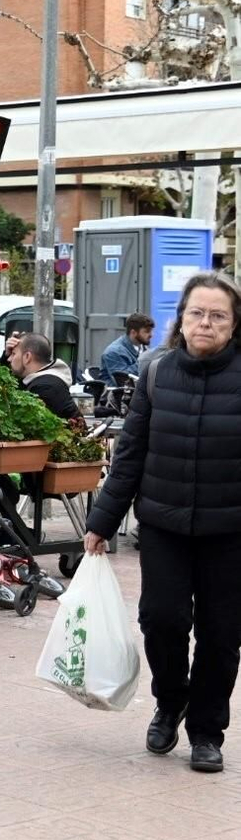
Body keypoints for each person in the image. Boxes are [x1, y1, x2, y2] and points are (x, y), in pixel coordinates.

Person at [84, 272, 241, 775]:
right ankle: (170, 702)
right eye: (197, 313)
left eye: (218, 316)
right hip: (164, 525)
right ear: (182, 318)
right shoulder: (156, 372)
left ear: (233, 324)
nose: (206, 323)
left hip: (230, 532)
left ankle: (206, 731)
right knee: (161, 620)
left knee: (221, 633)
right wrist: (102, 520)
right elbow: (130, 451)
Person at [3, 332, 81, 421]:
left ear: (27, 357)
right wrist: (5, 356)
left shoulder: (45, 387)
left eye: (13, 354)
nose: (9, 359)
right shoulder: (43, 381)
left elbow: (18, 423)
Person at [100, 312, 155, 378]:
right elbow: (124, 380)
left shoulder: (143, 348)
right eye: (147, 331)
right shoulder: (113, 352)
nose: (151, 335)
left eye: (151, 331)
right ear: (133, 332)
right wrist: (146, 360)